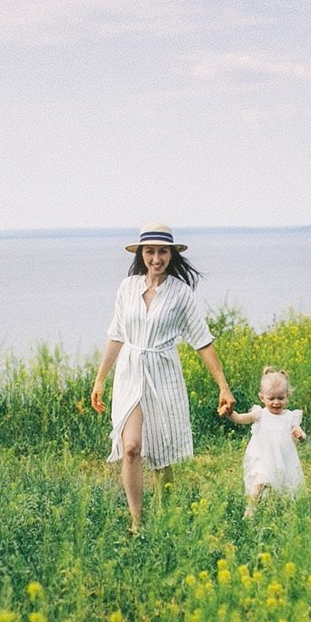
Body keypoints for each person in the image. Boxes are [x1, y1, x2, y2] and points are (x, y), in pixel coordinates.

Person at [91, 224, 236, 532]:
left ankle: (166, 516)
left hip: (163, 371)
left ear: (171, 254)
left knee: (161, 452)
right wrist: (100, 379)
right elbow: (116, 334)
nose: (156, 258)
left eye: (162, 251)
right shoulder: (127, 287)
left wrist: (222, 386)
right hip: (130, 370)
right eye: (150, 251)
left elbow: (202, 340)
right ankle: (137, 522)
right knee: (131, 446)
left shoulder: (181, 293)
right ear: (141, 254)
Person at [229, 366, 305, 511]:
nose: (276, 402)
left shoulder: (290, 417)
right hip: (263, 458)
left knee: (286, 486)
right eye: (271, 398)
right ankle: (250, 510)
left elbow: (300, 432)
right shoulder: (260, 414)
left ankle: (283, 510)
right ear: (262, 397)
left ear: (287, 396)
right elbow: (240, 418)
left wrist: (300, 435)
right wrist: (230, 413)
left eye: (281, 398)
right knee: (259, 482)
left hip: (283, 458)